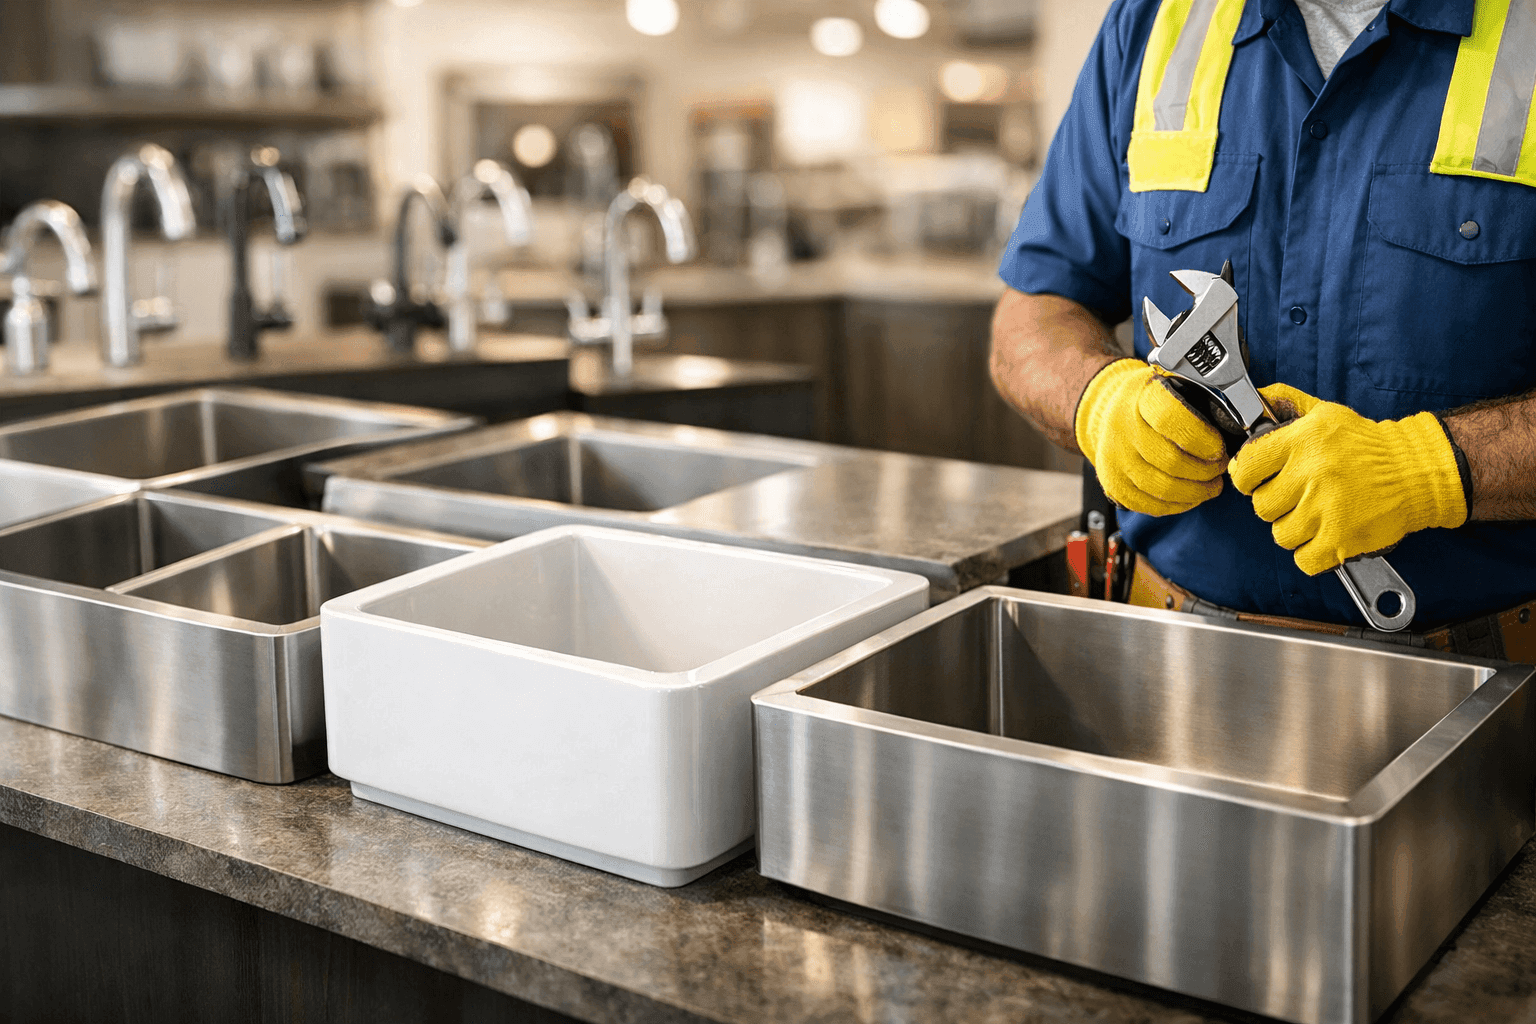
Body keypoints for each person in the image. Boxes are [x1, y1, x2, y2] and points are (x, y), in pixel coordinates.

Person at [990, 0, 1536, 657]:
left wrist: (1432, 469)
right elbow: (1033, 313)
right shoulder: (1154, 21)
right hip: (1163, 652)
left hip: (1485, 678)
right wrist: (1098, 402)